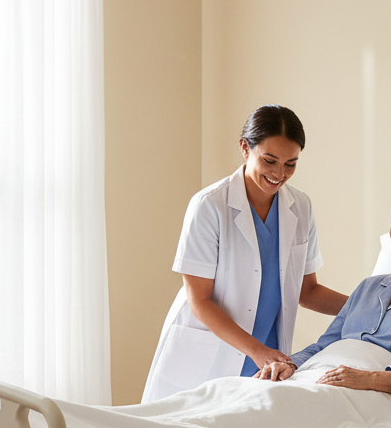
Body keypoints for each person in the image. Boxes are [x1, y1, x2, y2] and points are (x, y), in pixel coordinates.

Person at [141, 105, 347, 404]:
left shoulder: (300, 207)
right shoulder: (209, 206)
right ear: (245, 148)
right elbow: (199, 301)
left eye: (290, 164)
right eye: (269, 160)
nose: (279, 174)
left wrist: (368, 307)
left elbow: (308, 291)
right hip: (213, 355)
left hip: (268, 356)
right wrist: (258, 351)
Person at [255, 182, 391, 403]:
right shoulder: (368, 287)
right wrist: (289, 364)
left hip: (372, 396)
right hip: (321, 377)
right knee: (253, 396)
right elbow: (323, 346)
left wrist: (369, 379)